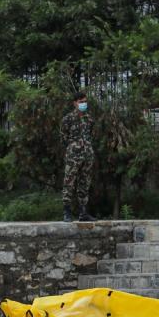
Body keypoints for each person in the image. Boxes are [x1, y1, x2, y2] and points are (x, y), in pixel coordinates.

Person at [60, 90, 96, 223]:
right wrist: (73, 148)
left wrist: (87, 148)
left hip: (87, 155)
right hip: (73, 156)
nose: (84, 104)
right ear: (75, 103)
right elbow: (63, 139)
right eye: (81, 102)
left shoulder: (89, 119)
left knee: (84, 184)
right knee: (69, 183)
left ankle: (83, 213)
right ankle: (67, 213)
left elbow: (91, 135)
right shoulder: (68, 119)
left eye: (85, 102)